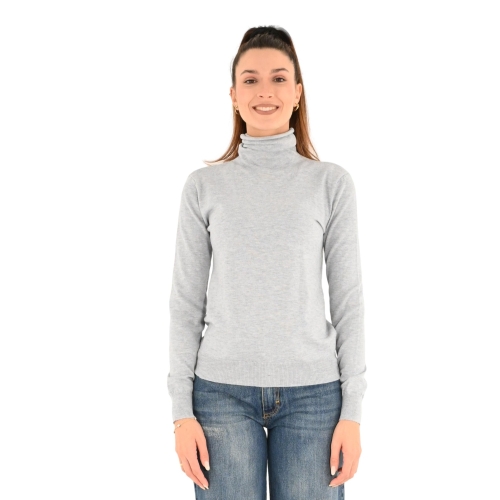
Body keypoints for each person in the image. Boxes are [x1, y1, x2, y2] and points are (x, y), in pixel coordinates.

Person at [167, 25, 367, 499]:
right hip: (219, 394)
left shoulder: (331, 184)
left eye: (279, 79)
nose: (265, 92)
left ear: (297, 93)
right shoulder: (203, 187)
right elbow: (185, 303)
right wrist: (180, 413)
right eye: (250, 80)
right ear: (233, 95)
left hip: (315, 397)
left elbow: (349, 302)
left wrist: (353, 413)